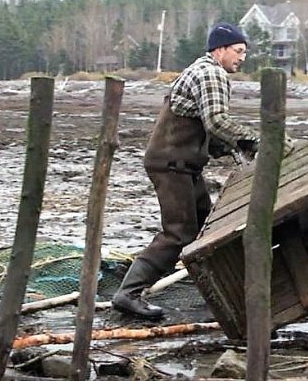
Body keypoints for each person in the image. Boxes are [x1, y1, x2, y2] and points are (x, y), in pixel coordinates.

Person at [112, 22, 293, 319]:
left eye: (244, 52)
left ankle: (215, 291)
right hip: (172, 166)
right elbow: (217, 122)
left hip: (184, 165)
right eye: (238, 51)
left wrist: (236, 149)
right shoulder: (211, 73)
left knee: (203, 232)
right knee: (178, 234)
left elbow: (203, 131)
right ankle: (128, 294)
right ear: (219, 50)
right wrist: (260, 141)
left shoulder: (203, 70)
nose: (242, 57)